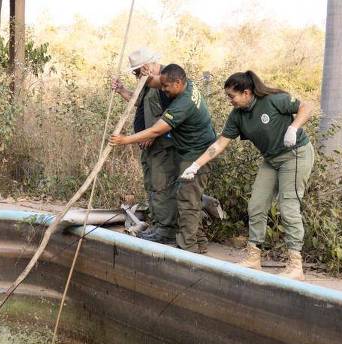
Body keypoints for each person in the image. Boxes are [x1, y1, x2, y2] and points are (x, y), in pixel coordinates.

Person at [179, 70, 315, 280]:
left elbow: (307, 107)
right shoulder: (237, 116)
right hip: (271, 159)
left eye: (231, 96)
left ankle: (295, 265)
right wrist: (195, 165)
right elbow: (220, 144)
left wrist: (294, 128)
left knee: (288, 207)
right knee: (256, 205)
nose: (229, 101)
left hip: (295, 155)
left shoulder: (273, 100)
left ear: (246, 92)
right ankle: (253, 258)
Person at [111, 64, 216, 253]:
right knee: (189, 197)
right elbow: (155, 84)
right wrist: (143, 78)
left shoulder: (183, 103)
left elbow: (157, 129)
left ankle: (187, 248)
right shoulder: (183, 83)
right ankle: (198, 242)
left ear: (177, 82)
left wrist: (124, 140)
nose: (164, 90)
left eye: (166, 87)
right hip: (189, 151)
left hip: (196, 153)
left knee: (187, 199)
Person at [111, 48, 180, 244]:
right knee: (151, 184)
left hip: (162, 144)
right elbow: (140, 102)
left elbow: (173, 115)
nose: (136, 75)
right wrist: (122, 90)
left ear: (147, 66)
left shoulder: (166, 80)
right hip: (147, 144)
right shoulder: (148, 82)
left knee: (161, 186)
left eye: (137, 71)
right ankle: (158, 225)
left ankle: (166, 231)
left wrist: (154, 133)